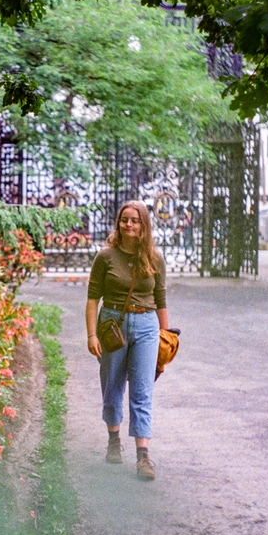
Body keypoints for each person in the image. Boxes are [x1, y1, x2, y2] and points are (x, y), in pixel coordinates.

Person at [85, 200, 169, 481]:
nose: (129, 225)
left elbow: (160, 300)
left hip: (146, 326)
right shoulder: (105, 256)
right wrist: (91, 334)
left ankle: (143, 457)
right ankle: (113, 440)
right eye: (124, 220)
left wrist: (166, 337)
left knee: (142, 391)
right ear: (119, 224)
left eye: (135, 220)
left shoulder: (154, 258)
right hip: (112, 325)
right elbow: (93, 299)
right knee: (112, 385)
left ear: (144, 225)